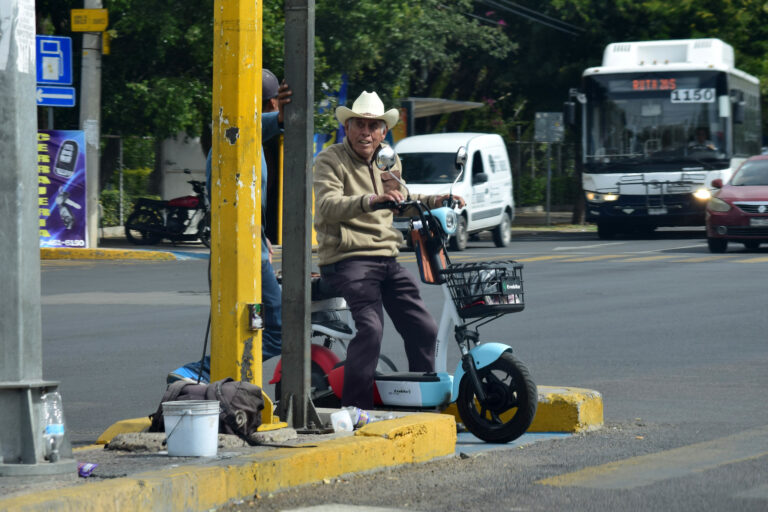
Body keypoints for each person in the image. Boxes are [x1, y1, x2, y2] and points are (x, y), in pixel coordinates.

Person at [313, 91, 465, 408]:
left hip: (387, 259)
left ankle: (422, 402)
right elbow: (327, 205)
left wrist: (437, 200)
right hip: (347, 259)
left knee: (424, 328)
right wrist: (371, 200)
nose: (366, 133)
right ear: (347, 127)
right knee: (371, 329)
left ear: (383, 132)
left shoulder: (388, 159)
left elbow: (403, 200)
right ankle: (356, 409)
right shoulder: (330, 159)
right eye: (359, 124)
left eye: (373, 126)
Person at [169, 70, 291, 384]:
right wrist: (283, 116)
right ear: (271, 102)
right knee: (276, 330)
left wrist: (261, 235)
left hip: (245, 250)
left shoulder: (237, 138)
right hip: (246, 257)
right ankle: (195, 373)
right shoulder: (241, 133)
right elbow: (265, 122)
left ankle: (219, 384)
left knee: (247, 327)